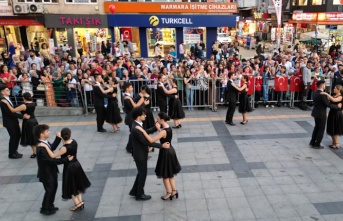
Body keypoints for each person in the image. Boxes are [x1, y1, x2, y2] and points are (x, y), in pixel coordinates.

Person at [40, 128, 91, 212]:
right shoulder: (74, 142)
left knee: (71, 186)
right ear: (70, 135)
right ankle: (80, 201)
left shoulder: (63, 148)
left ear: (62, 136)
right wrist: (62, 139)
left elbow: (53, 156)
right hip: (77, 165)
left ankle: (77, 204)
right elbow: (67, 145)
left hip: (69, 168)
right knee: (77, 184)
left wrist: (45, 146)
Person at [135, 112, 181, 200]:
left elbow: (151, 140)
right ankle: (174, 191)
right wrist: (159, 129)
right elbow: (164, 136)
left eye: (158, 119)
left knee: (165, 175)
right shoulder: (168, 128)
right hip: (170, 150)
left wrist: (142, 131)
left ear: (162, 120)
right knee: (170, 174)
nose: (156, 120)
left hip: (165, 153)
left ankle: (168, 193)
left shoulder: (163, 131)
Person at [129, 107, 170, 201]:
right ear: (138, 116)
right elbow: (146, 142)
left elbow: (145, 133)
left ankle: (134, 191)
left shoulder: (137, 125)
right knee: (142, 174)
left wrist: (155, 128)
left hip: (140, 153)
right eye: (143, 114)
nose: (145, 116)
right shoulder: (136, 128)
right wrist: (161, 146)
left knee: (140, 173)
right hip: (140, 155)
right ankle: (140, 194)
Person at [33, 124, 73, 215]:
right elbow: (50, 160)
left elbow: (52, 148)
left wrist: (58, 138)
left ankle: (50, 205)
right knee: (50, 190)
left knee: (53, 188)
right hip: (46, 173)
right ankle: (45, 208)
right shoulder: (41, 147)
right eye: (47, 131)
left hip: (50, 171)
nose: (49, 132)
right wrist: (65, 160)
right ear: (41, 134)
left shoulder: (44, 143)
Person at [3, 92, 38, 158]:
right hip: (34, 120)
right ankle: (36, 152)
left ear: (23, 97)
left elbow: (13, 110)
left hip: (28, 122)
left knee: (31, 137)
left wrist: (7, 103)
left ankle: (35, 153)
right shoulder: (33, 103)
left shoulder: (24, 106)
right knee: (34, 136)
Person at [310, 80, 341, 149]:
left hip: (315, 112)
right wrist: (337, 106)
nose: (325, 86)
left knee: (316, 127)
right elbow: (328, 104)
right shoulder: (322, 94)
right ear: (322, 85)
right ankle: (317, 144)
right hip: (321, 114)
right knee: (321, 129)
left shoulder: (315, 93)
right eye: (324, 84)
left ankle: (312, 142)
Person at [0, 84, 29, 159]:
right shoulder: (3, 101)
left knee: (18, 135)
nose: (9, 91)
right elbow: (10, 113)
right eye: (6, 90)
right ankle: (11, 154)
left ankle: (15, 151)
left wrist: (22, 105)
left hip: (13, 121)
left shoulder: (8, 98)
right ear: (2, 92)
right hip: (9, 122)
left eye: (8, 90)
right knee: (13, 137)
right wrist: (22, 116)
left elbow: (13, 107)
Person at [122, 82, 146, 153]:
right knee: (133, 133)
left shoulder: (128, 96)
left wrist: (138, 96)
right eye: (131, 87)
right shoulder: (126, 98)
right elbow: (133, 107)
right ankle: (130, 147)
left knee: (133, 132)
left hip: (131, 117)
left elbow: (133, 101)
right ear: (127, 88)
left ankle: (131, 146)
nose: (132, 88)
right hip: (130, 117)